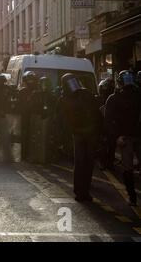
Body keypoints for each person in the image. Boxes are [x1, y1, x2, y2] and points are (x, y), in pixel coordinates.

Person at [56, 73, 102, 202]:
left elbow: (60, 120)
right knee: (86, 163)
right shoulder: (85, 94)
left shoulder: (64, 98)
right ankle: (83, 191)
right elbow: (97, 112)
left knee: (81, 163)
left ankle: (81, 191)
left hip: (79, 134)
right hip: (86, 134)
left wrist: (61, 138)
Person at [105, 71, 141, 206]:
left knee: (128, 168)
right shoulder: (115, 98)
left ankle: (132, 198)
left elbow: (108, 120)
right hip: (127, 137)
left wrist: (116, 136)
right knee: (128, 168)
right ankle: (132, 197)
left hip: (130, 137)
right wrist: (117, 136)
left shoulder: (117, 98)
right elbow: (109, 120)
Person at [18, 71, 39, 160]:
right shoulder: (22, 92)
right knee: (24, 135)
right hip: (24, 116)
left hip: (34, 116)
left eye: (32, 80)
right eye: (29, 81)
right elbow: (18, 104)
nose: (30, 82)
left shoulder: (38, 92)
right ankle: (24, 153)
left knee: (33, 135)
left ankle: (30, 153)